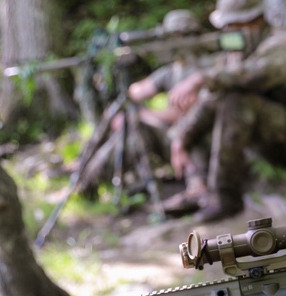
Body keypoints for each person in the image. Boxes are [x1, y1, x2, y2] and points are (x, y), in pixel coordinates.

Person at [161, 0, 286, 223]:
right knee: (210, 109)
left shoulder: (285, 43)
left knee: (236, 99)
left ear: (250, 22)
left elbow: (259, 74)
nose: (227, 32)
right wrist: (181, 137)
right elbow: (210, 99)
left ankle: (225, 198)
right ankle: (199, 187)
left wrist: (202, 78)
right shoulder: (239, 50)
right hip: (265, 143)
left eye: (230, 26)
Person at [76, 9, 207, 195]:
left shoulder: (204, 69)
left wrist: (141, 115)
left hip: (190, 138)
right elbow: (137, 91)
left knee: (134, 124)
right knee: (126, 122)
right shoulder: (174, 69)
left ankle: (90, 182)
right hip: (172, 136)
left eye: (178, 36)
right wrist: (125, 66)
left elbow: (189, 113)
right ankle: (87, 178)